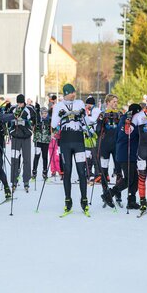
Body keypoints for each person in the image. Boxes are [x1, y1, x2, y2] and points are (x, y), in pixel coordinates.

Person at [51, 84, 90, 216]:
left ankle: (84, 200)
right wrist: (61, 115)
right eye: (71, 93)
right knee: (67, 171)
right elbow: (53, 124)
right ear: (66, 94)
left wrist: (84, 115)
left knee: (81, 171)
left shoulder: (79, 103)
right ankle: (68, 200)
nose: (74, 94)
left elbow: (87, 122)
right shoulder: (58, 106)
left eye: (74, 92)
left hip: (78, 140)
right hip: (66, 141)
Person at [104, 103, 142, 209]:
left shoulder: (126, 118)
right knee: (129, 178)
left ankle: (131, 200)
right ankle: (109, 194)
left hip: (130, 152)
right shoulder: (127, 121)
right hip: (126, 153)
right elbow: (126, 134)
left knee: (135, 179)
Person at [95, 94, 123, 207]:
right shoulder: (102, 114)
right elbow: (97, 130)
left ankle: (118, 195)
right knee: (104, 172)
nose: (116, 103)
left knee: (118, 171)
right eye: (113, 101)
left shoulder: (120, 114)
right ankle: (106, 195)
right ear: (108, 102)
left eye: (116, 101)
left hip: (117, 146)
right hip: (105, 146)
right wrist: (101, 122)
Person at [9, 94, 34, 192]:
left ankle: (26, 180)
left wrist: (26, 122)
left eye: (21, 103)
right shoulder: (13, 109)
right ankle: (14, 180)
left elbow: (34, 120)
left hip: (26, 137)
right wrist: (13, 123)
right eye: (18, 102)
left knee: (26, 159)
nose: (19, 104)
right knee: (14, 159)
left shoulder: (29, 110)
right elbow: (8, 120)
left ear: (24, 102)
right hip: (15, 137)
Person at [83, 96, 100, 181]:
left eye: (87, 104)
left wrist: (85, 119)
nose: (86, 106)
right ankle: (89, 173)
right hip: (91, 136)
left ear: (90, 104)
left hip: (95, 136)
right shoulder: (92, 110)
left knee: (95, 157)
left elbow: (93, 120)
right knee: (89, 157)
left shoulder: (96, 110)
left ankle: (97, 174)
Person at [32, 107, 52, 181]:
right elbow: (32, 127)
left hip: (46, 141)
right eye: (43, 113)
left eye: (45, 113)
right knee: (37, 156)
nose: (44, 115)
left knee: (45, 157)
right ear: (40, 114)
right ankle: (34, 172)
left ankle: (45, 172)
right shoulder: (37, 120)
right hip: (38, 140)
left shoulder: (49, 120)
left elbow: (53, 129)